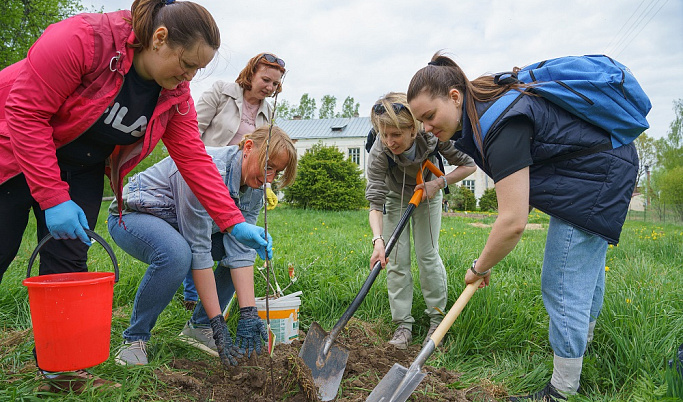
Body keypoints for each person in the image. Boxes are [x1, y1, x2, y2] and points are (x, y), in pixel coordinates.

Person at [0, 0, 271, 392]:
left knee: (67, 260)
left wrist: (232, 221)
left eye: (197, 69)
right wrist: (52, 196)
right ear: (159, 39)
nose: (189, 77)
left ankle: (59, 374)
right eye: (188, 63)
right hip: (13, 147)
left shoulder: (173, 93)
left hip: (81, 165)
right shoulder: (81, 41)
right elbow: (25, 112)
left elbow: (193, 158)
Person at [407, 52, 639, 400]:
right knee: (583, 272)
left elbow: (513, 221)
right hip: (604, 165)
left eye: (429, 116)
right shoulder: (484, 107)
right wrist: (487, 261)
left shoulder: (498, 123)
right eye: (421, 121)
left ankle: (561, 391)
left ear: (454, 97)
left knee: (562, 279)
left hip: (595, 175)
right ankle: (580, 350)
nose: (426, 127)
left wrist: (479, 267)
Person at [108, 125, 297, 367]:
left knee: (239, 245)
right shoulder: (206, 170)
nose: (268, 179)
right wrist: (219, 321)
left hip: (179, 227)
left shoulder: (255, 186)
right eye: (268, 167)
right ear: (248, 147)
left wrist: (249, 312)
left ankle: (199, 326)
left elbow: (240, 250)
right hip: (133, 216)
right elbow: (198, 250)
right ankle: (134, 339)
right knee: (177, 254)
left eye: (276, 172)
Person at [366, 92, 476, 350]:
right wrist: (378, 241)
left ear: (413, 130)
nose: (389, 141)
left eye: (396, 135)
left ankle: (437, 321)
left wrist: (438, 183)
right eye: (384, 134)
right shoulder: (380, 149)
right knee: (395, 259)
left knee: (427, 256)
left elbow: (469, 166)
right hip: (396, 198)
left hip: (428, 193)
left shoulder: (433, 139)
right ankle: (403, 325)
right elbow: (374, 202)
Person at [181, 52, 286, 308]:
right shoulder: (221, 92)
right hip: (207, 174)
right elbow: (191, 131)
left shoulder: (267, 112)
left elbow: (266, 152)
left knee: (234, 237)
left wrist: (266, 184)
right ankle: (193, 297)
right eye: (266, 79)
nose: (270, 88)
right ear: (251, 73)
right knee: (199, 232)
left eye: (275, 84)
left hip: (240, 185)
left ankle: (217, 300)